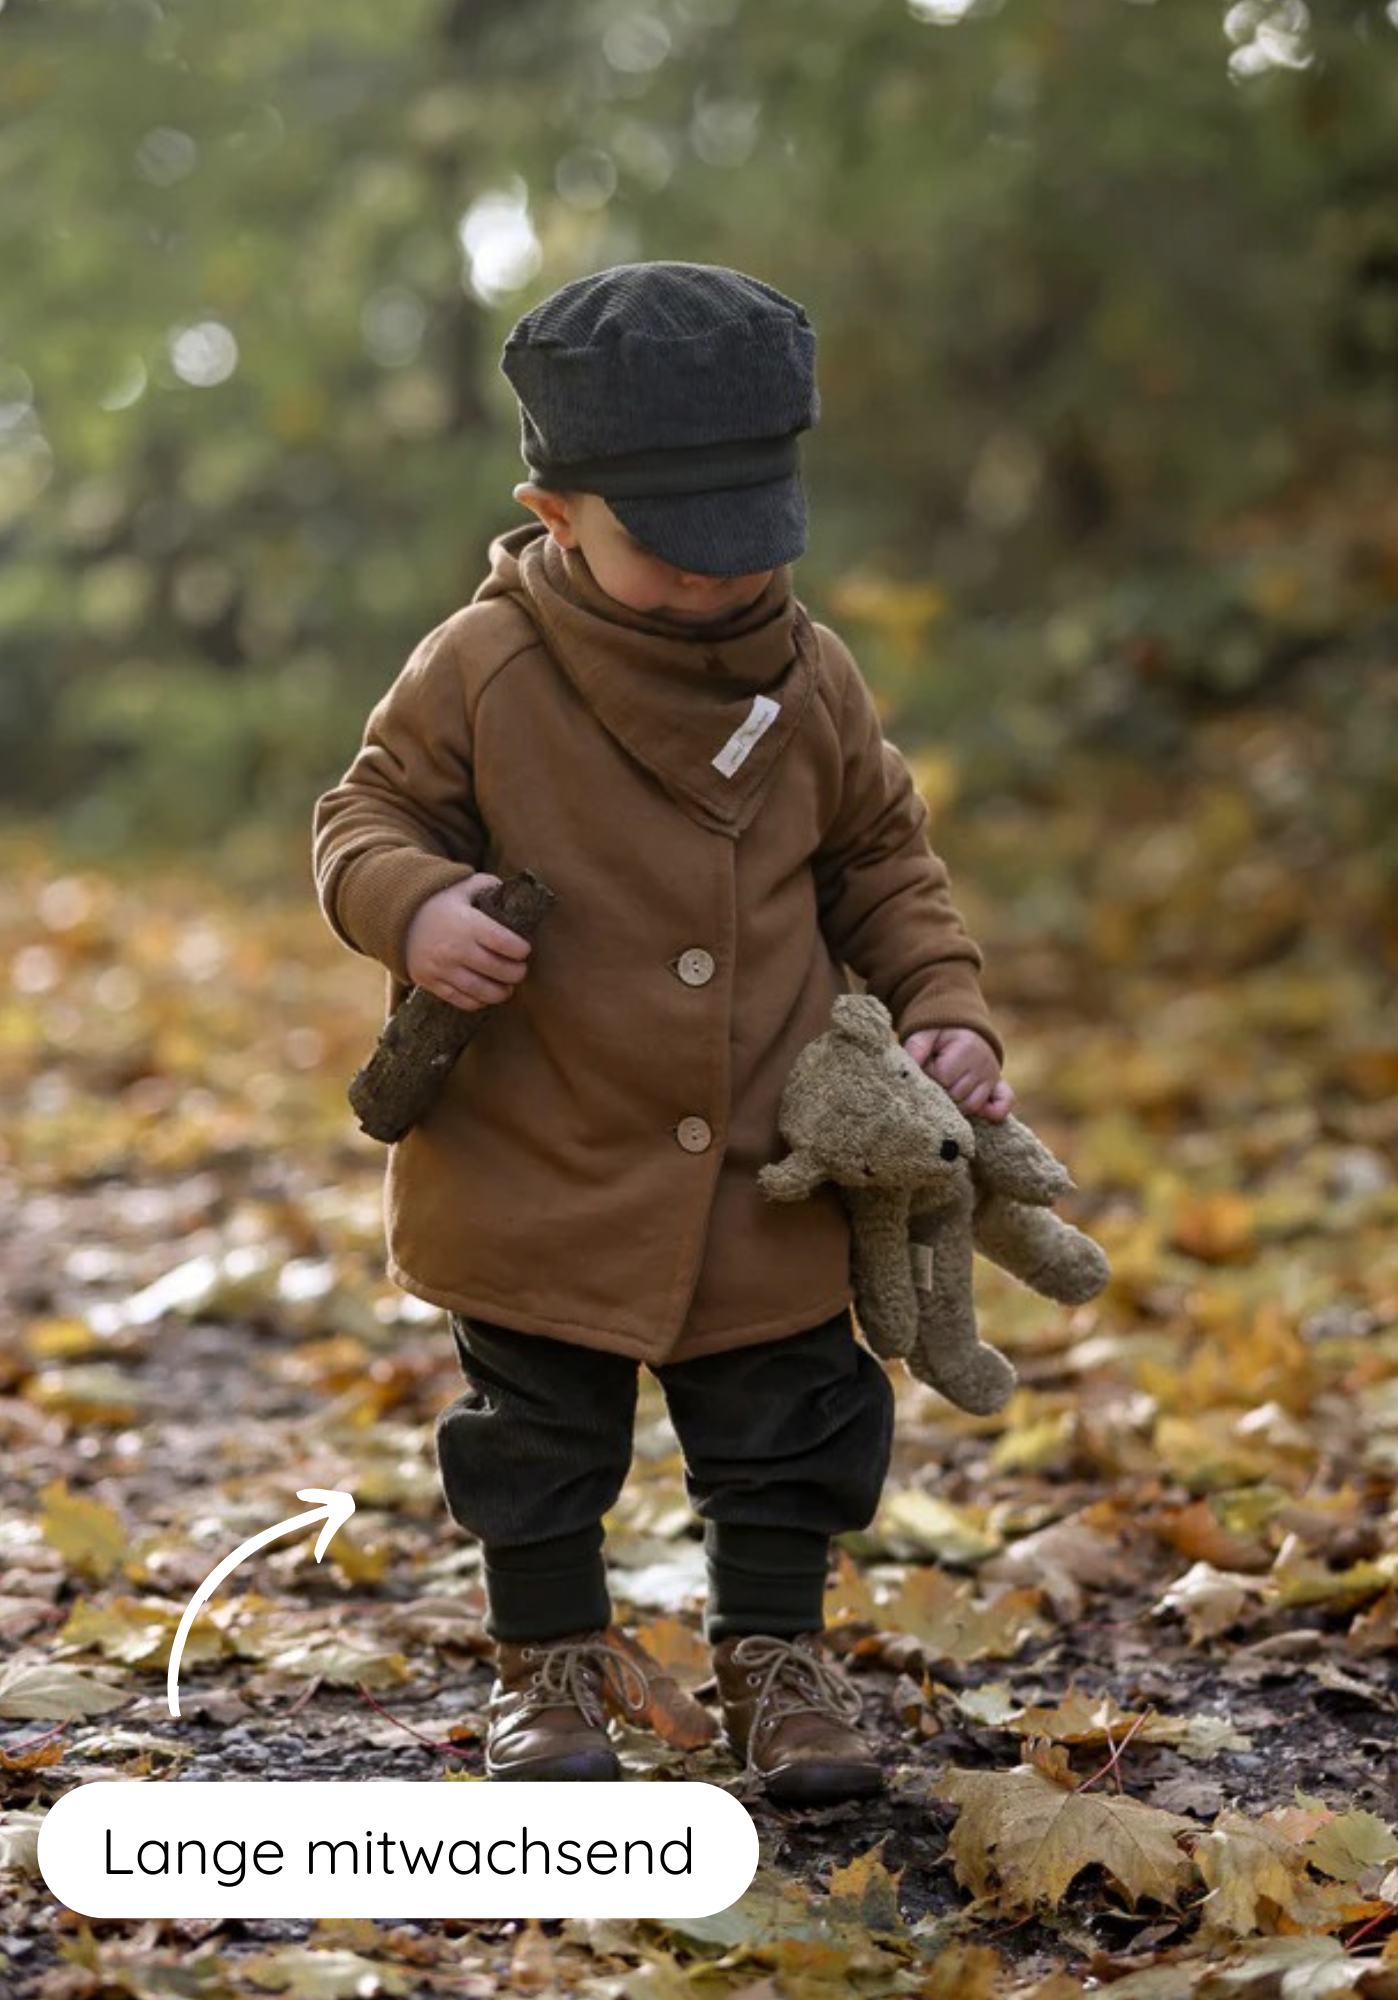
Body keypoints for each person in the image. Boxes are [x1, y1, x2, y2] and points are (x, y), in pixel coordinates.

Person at [313, 262, 1013, 1801]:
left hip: (767, 1137)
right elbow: (365, 812)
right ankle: (549, 1666)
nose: (714, 582)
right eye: (670, 552)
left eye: (745, 544)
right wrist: (416, 905)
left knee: (793, 1417)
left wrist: (947, 1013)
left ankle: (777, 1659)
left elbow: (883, 861)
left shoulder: (810, 672)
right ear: (554, 512)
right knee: (536, 1431)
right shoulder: (483, 667)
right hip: (537, 1136)